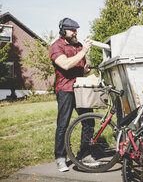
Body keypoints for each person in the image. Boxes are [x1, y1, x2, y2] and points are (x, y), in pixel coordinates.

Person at [49, 17, 93, 172]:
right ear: (63, 31)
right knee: (63, 125)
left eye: (76, 30)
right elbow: (66, 64)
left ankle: (85, 155)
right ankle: (60, 158)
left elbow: (80, 66)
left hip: (81, 89)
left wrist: (86, 69)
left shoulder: (78, 46)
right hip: (65, 90)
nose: (75, 33)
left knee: (89, 121)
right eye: (72, 30)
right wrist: (83, 51)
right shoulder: (56, 46)